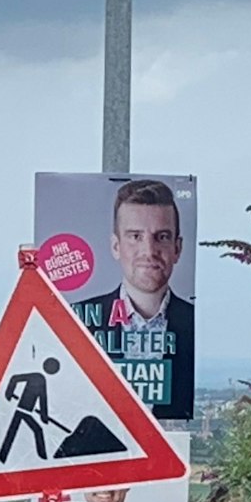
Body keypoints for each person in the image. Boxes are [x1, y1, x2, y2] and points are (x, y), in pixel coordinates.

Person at [73, 178, 195, 418]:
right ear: (116, 246)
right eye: (135, 236)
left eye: (161, 237)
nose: (149, 251)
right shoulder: (76, 320)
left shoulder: (195, 324)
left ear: (177, 248)